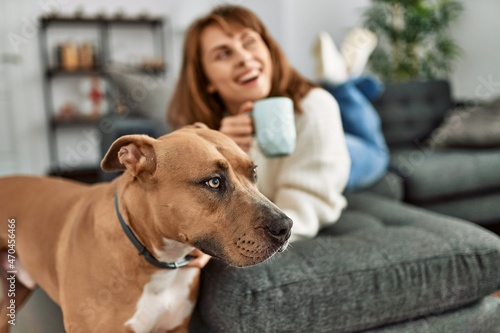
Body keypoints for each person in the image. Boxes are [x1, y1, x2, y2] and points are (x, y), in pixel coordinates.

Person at [168, 5, 351, 244]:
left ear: (269, 50)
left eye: (249, 42)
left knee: (369, 155)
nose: (244, 58)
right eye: (223, 54)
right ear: (206, 81)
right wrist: (220, 156)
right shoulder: (203, 130)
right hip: (300, 159)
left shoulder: (314, 108)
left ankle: (344, 80)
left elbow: (305, 210)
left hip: (337, 155)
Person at [313, 30, 390, 191]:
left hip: (330, 141)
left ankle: (345, 77)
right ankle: (344, 78)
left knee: (369, 86)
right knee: (379, 153)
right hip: (327, 153)